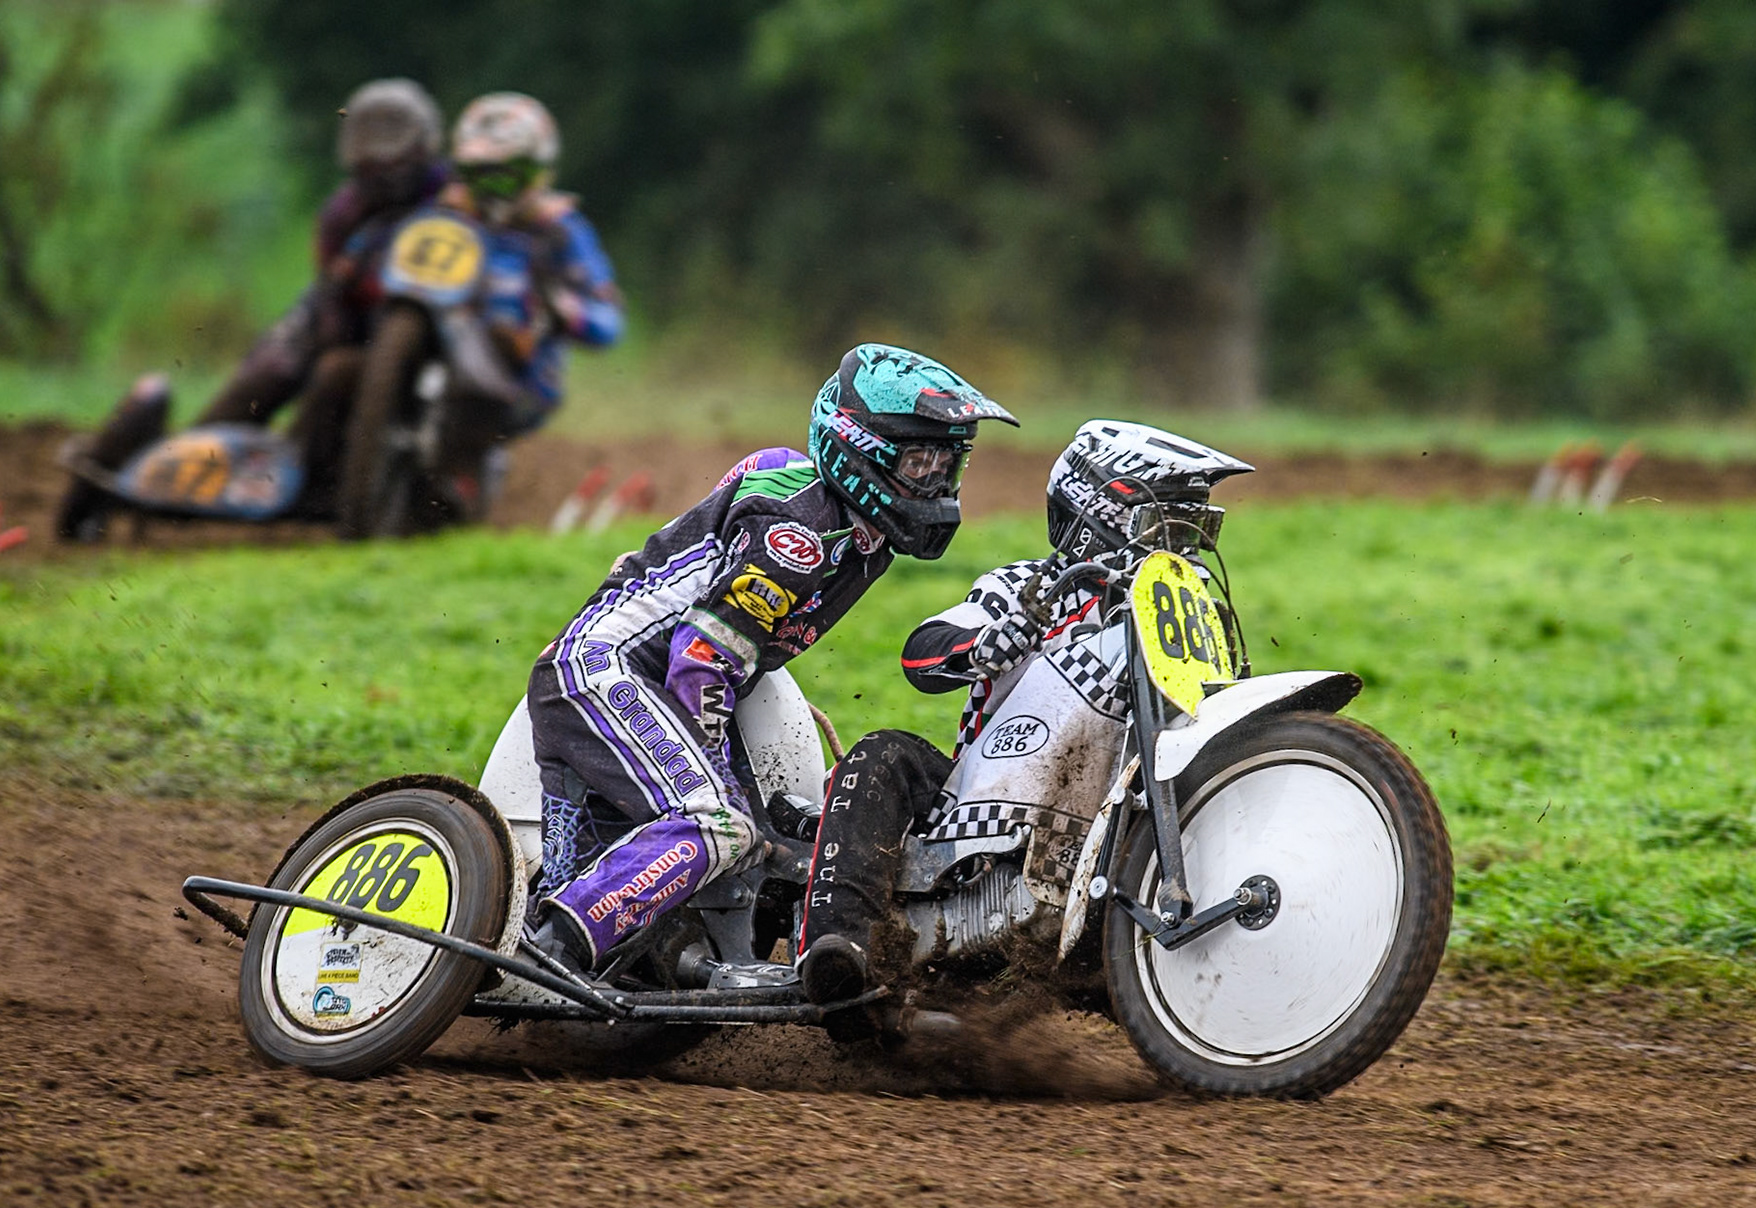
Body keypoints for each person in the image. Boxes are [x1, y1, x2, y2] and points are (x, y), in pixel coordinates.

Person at [528, 343, 1016, 971]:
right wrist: (732, 802)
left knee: (753, 839)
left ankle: (550, 943)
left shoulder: (852, 530)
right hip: (604, 672)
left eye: (949, 464)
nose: (938, 484)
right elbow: (701, 659)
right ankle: (552, 957)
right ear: (859, 451)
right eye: (920, 463)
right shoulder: (801, 538)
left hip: (633, 681)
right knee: (719, 826)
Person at [796, 419, 1224, 1031]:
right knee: (885, 754)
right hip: (978, 806)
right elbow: (922, 650)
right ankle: (838, 948)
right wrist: (989, 642)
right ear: (1098, 513)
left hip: (1112, 816)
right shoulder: (1031, 586)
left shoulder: (1176, 617)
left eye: (1195, 529)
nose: (1181, 546)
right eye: (1165, 525)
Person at [57, 78, 450, 540]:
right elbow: (329, 283)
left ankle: (317, 475)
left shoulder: (455, 202)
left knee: (336, 375)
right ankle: (170, 472)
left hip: (426, 340)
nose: (383, 165)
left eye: (394, 150)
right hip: (339, 318)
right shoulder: (344, 212)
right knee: (267, 373)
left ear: (423, 146)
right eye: (371, 151)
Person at [426, 91, 623, 515]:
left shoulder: (561, 231)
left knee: (500, 340)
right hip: (432, 335)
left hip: (522, 377)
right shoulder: (442, 216)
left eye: (506, 177)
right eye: (478, 177)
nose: (491, 192)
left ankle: (469, 465)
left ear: (538, 174)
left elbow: (609, 322)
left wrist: (561, 308)